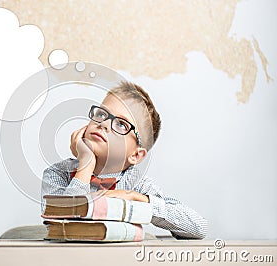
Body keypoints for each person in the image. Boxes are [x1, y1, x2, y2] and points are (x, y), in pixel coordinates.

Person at [41, 81, 207, 239]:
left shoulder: (138, 185)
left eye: (121, 124)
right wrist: (86, 165)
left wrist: (138, 199)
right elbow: (69, 226)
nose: (104, 123)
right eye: (101, 114)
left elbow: (199, 228)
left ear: (135, 155)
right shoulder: (58, 174)